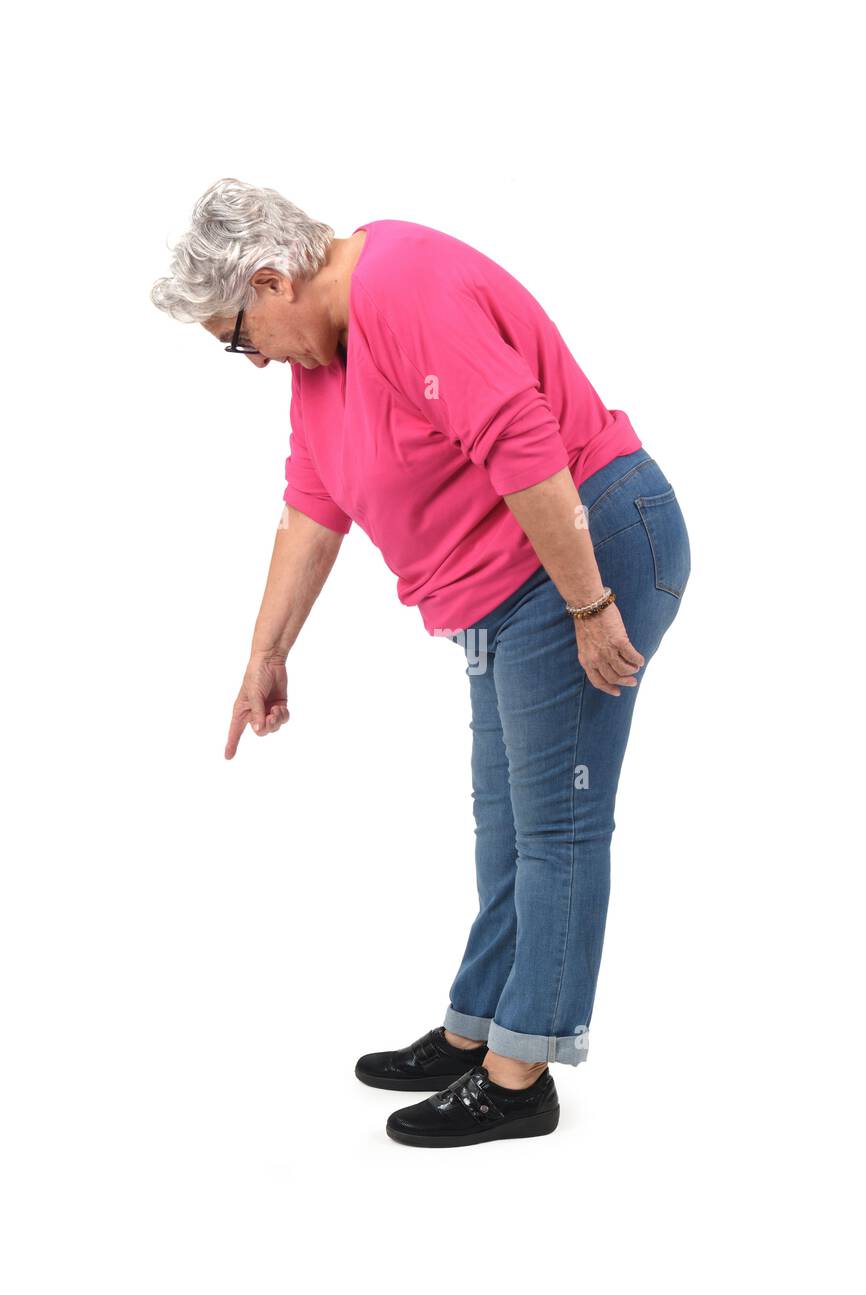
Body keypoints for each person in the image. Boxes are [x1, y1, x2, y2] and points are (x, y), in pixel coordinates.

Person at [151, 177, 691, 1149]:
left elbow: (525, 447)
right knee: (504, 825)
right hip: (512, 586)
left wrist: (589, 601)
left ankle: (520, 1073)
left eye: (235, 337)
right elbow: (313, 505)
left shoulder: (402, 289)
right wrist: (263, 656)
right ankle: (477, 1027)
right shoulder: (321, 363)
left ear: (271, 282)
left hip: (582, 550)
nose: (247, 357)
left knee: (556, 824)